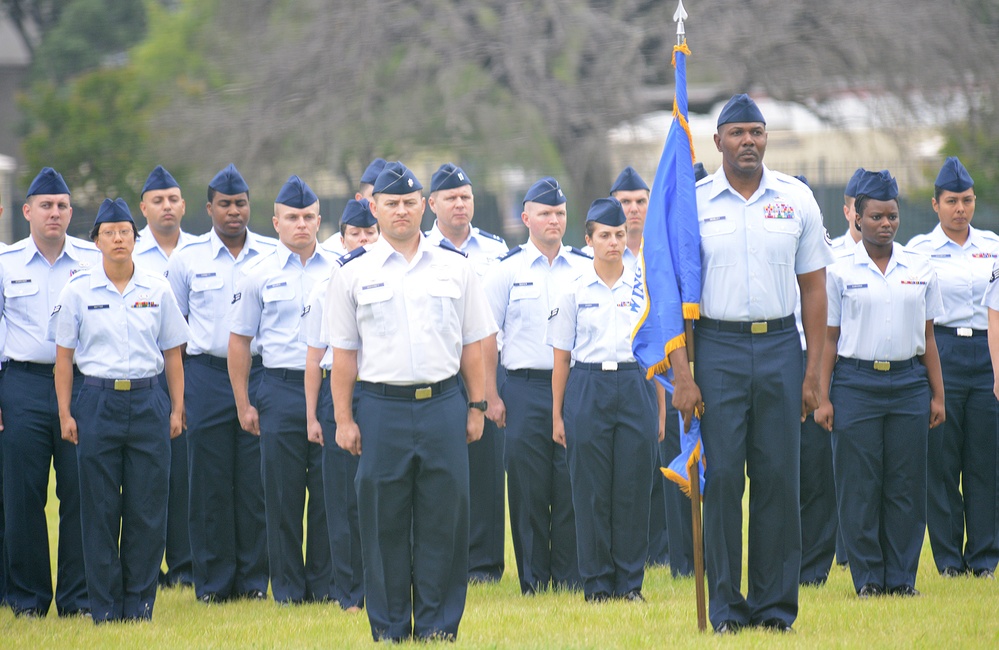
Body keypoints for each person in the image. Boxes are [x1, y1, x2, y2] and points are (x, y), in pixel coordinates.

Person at [669, 94, 832, 634]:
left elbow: (813, 289)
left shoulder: (797, 199)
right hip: (716, 350)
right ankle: (726, 609)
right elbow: (674, 296)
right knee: (723, 483)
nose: (748, 141)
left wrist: (814, 374)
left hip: (782, 347)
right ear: (717, 142)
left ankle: (774, 608)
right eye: (737, 132)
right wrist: (684, 375)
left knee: (778, 479)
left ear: (767, 139)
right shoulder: (692, 203)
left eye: (756, 132)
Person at [326, 161, 495, 642]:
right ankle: (390, 627)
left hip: (443, 404)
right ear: (373, 207)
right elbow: (344, 357)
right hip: (381, 409)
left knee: (446, 516)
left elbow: (472, 346)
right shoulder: (352, 275)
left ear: (424, 205)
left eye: (409, 202)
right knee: (382, 522)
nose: (401, 211)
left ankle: (440, 626)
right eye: (391, 203)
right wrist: (343, 419)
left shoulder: (456, 269)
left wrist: (477, 406)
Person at [51, 198, 190, 623]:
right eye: (109, 232)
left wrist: (177, 408)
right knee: (99, 508)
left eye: (125, 232)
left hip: (149, 401)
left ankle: (139, 604)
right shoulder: (77, 290)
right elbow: (63, 358)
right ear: (96, 242)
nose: (118, 239)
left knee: (148, 508)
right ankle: (105, 606)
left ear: (135, 237)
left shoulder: (157, 288)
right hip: (97, 401)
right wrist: (65, 413)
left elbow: (173, 354)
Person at [815, 169, 945, 598]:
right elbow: (829, 338)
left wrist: (937, 394)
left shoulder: (920, 267)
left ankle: (902, 578)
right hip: (855, 384)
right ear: (857, 219)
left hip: (909, 383)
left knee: (906, 485)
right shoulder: (836, 270)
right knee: (860, 485)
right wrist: (823, 396)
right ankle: (869, 578)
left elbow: (928, 338)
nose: (886, 223)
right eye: (876, 217)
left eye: (891, 216)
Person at [165, 163, 276, 603]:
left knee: (254, 483)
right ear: (209, 208)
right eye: (226, 204)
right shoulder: (187, 260)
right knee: (208, 483)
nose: (234, 212)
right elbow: (173, 329)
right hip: (206, 377)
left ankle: (252, 582)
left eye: (241, 203)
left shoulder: (270, 255)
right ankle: (212, 583)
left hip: (258, 375)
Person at [228, 174, 335, 604]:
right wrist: (243, 403)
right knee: (282, 492)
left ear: (319, 220)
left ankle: (326, 584)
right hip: (279, 387)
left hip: (328, 389)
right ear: (275, 222)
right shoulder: (257, 275)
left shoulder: (340, 268)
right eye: (292, 217)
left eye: (309, 217)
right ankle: (289, 589)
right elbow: (239, 342)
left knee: (329, 491)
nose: (302, 225)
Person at [548, 197, 659, 602]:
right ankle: (596, 583)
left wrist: (658, 409)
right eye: (605, 236)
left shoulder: (643, 286)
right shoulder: (573, 289)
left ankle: (629, 583)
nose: (614, 242)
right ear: (589, 239)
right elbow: (561, 358)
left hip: (635, 383)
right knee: (590, 490)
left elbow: (657, 351)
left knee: (632, 486)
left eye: (620, 234)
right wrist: (558, 415)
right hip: (588, 385)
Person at [483, 177, 589, 595]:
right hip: (524, 387)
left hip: (574, 385)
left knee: (569, 480)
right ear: (526, 217)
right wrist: (492, 394)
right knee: (527, 486)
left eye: (560, 213)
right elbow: (488, 337)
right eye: (545, 213)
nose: (554, 220)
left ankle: (567, 575)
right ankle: (533, 579)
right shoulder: (506, 270)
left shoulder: (583, 267)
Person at [0, 167, 97, 618]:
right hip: (22, 386)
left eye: (61, 206)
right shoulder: (6, 264)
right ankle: (28, 599)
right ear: (27, 211)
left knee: (80, 491)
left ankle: (77, 599)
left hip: (79, 387)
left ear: (70, 212)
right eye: (45, 206)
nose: (54, 213)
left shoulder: (92, 260)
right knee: (24, 494)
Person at [911, 157, 999, 579]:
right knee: (942, 461)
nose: (959, 208)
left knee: (985, 460)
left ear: (974, 201)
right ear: (935, 204)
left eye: (966, 200)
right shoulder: (918, 252)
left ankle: (984, 557)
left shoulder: (993, 245)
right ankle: (949, 559)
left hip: (987, 353)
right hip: (941, 351)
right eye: (951, 201)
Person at [425, 162, 509, 582]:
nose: (460, 204)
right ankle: (444, 558)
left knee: (487, 468)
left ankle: (485, 564)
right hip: (439, 368)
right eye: (451, 198)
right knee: (440, 466)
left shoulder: (495, 251)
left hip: (488, 366)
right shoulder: (419, 250)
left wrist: (493, 387)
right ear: (431, 205)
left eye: (466, 197)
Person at [303, 198, 378, 612]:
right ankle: (349, 592)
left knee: (385, 493)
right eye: (355, 234)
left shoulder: (394, 282)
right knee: (342, 499)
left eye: (369, 233)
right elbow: (315, 359)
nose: (363, 240)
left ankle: (386, 584)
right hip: (340, 395)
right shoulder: (326, 287)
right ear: (342, 238)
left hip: (382, 392)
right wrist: (314, 414)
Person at [134, 164, 197, 588]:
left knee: (185, 472)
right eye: (158, 200)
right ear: (144, 207)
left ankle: (185, 564)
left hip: (190, 368)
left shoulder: (197, 251)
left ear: (184, 204)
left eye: (173, 198)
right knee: (145, 474)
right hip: (143, 371)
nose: (167, 206)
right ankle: (144, 565)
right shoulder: (125, 249)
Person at [792, 174, 839, 588]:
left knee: (816, 470)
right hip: (771, 358)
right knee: (776, 472)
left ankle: (814, 569)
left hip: (815, 364)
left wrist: (819, 381)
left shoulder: (829, 261)